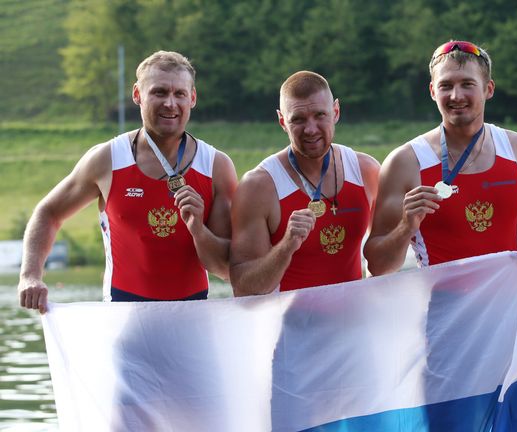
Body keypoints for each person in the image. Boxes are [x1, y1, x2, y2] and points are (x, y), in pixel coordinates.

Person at [18, 50, 238, 312]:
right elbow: (48, 213)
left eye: (179, 94)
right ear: (137, 94)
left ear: (192, 98)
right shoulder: (107, 159)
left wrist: (198, 229)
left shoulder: (216, 166)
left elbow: (225, 269)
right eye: (159, 92)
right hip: (122, 316)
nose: (170, 103)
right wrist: (30, 276)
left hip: (191, 317)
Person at [363, 40, 517, 275]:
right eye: (446, 86)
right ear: (433, 91)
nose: (456, 96)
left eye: (467, 84)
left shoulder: (513, 146)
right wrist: (406, 226)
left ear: (488, 89)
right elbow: (378, 267)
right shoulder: (405, 162)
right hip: (444, 299)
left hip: (511, 297)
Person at [230, 71, 380, 295]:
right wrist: (286, 246)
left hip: (354, 316)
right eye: (298, 119)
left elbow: (383, 265)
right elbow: (244, 288)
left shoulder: (366, 170)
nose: (310, 129)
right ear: (282, 121)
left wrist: (407, 225)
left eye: (320, 115)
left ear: (335, 112)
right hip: (290, 318)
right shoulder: (259, 186)